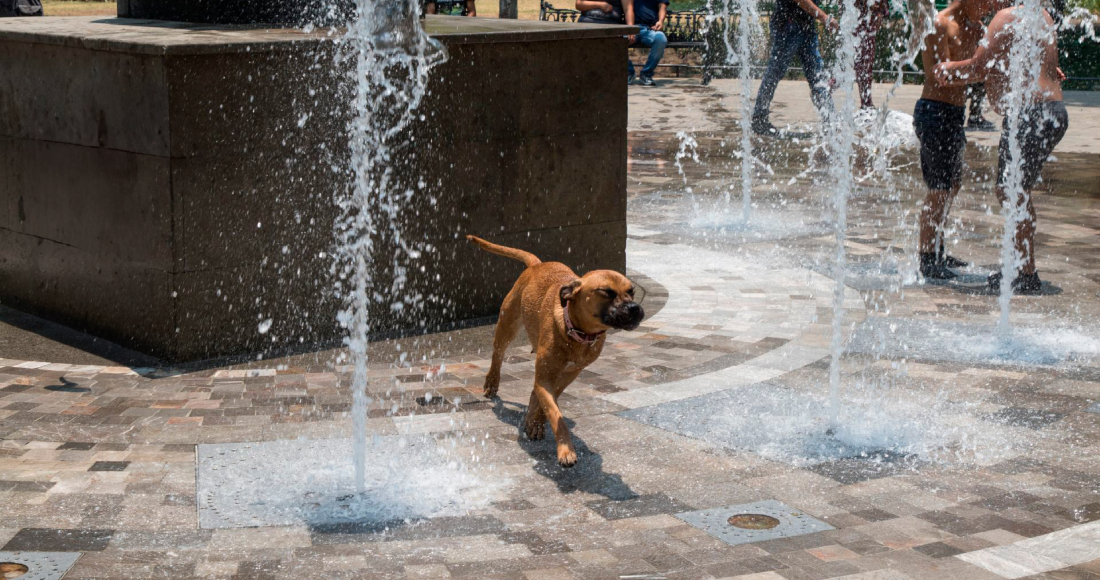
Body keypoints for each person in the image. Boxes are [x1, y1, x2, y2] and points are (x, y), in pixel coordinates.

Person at [935, 0, 1067, 294]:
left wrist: (947, 69)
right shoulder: (1041, 15)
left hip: (1029, 115)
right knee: (1017, 191)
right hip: (1053, 111)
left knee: (1011, 191)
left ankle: (1025, 272)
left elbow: (979, 67)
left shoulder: (1006, 16)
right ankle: (1023, 268)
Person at [911, 0, 1003, 280]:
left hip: (954, 115)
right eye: (988, 5)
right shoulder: (940, 24)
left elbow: (995, 61)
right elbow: (938, 77)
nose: (989, 11)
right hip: (933, 112)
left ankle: (937, 248)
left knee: (952, 186)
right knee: (939, 189)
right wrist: (978, 68)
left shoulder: (976, 28)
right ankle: (927, 258)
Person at [751, 0, 838, 135]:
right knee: (775, 72)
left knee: (817, 76)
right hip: (787, 25)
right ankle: (759, 119)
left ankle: (830, 122)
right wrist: (823, 17)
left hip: (806, 24)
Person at [623, 0, 669, 86]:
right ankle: (629, 72)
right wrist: (630, 29)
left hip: (649, 28)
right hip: (630, 28)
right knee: (616, 42)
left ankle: (646, 73)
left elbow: (662, 6)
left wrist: (660, 21)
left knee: (661, 39)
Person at [855, 0, 890, 109]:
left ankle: (866, 102)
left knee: (865, 65)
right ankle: (825, 89)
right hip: (858, 19)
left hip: (867, 21)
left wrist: (881, 12)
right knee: (857, 65)